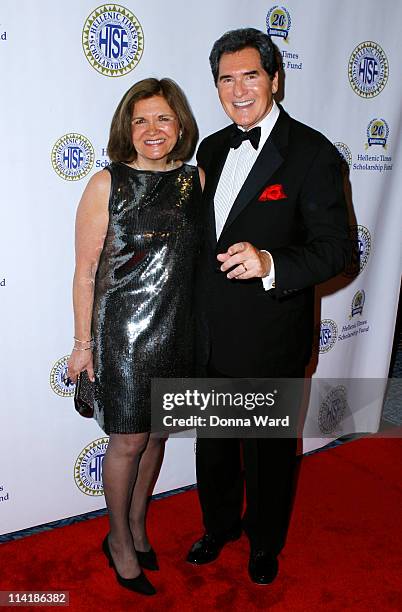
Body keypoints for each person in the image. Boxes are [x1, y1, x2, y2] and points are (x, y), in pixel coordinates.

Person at [187, 28, 350, 584]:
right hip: (209, 335)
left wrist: (271, 263)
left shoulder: (313, 153)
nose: (238, 90)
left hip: (270, 335)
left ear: (275, 79)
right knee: (213, 448)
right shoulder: (210, 148)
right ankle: (219, 526)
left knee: (267, 454)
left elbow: (337, 250)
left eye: (250, 75)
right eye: (226, 79)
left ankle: (264, 542)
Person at [67, 78, 203, 596]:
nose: (153, 130)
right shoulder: (107, 183)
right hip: (122, 335)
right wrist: (83, 345)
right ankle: (118, 540)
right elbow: (85, 274)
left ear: (180, 124)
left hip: (178, 328)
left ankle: (140, 525)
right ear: (127, 125)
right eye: (141, 119)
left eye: (163, 118)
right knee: (127, 441)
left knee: (158, 435)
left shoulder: (197, 179)